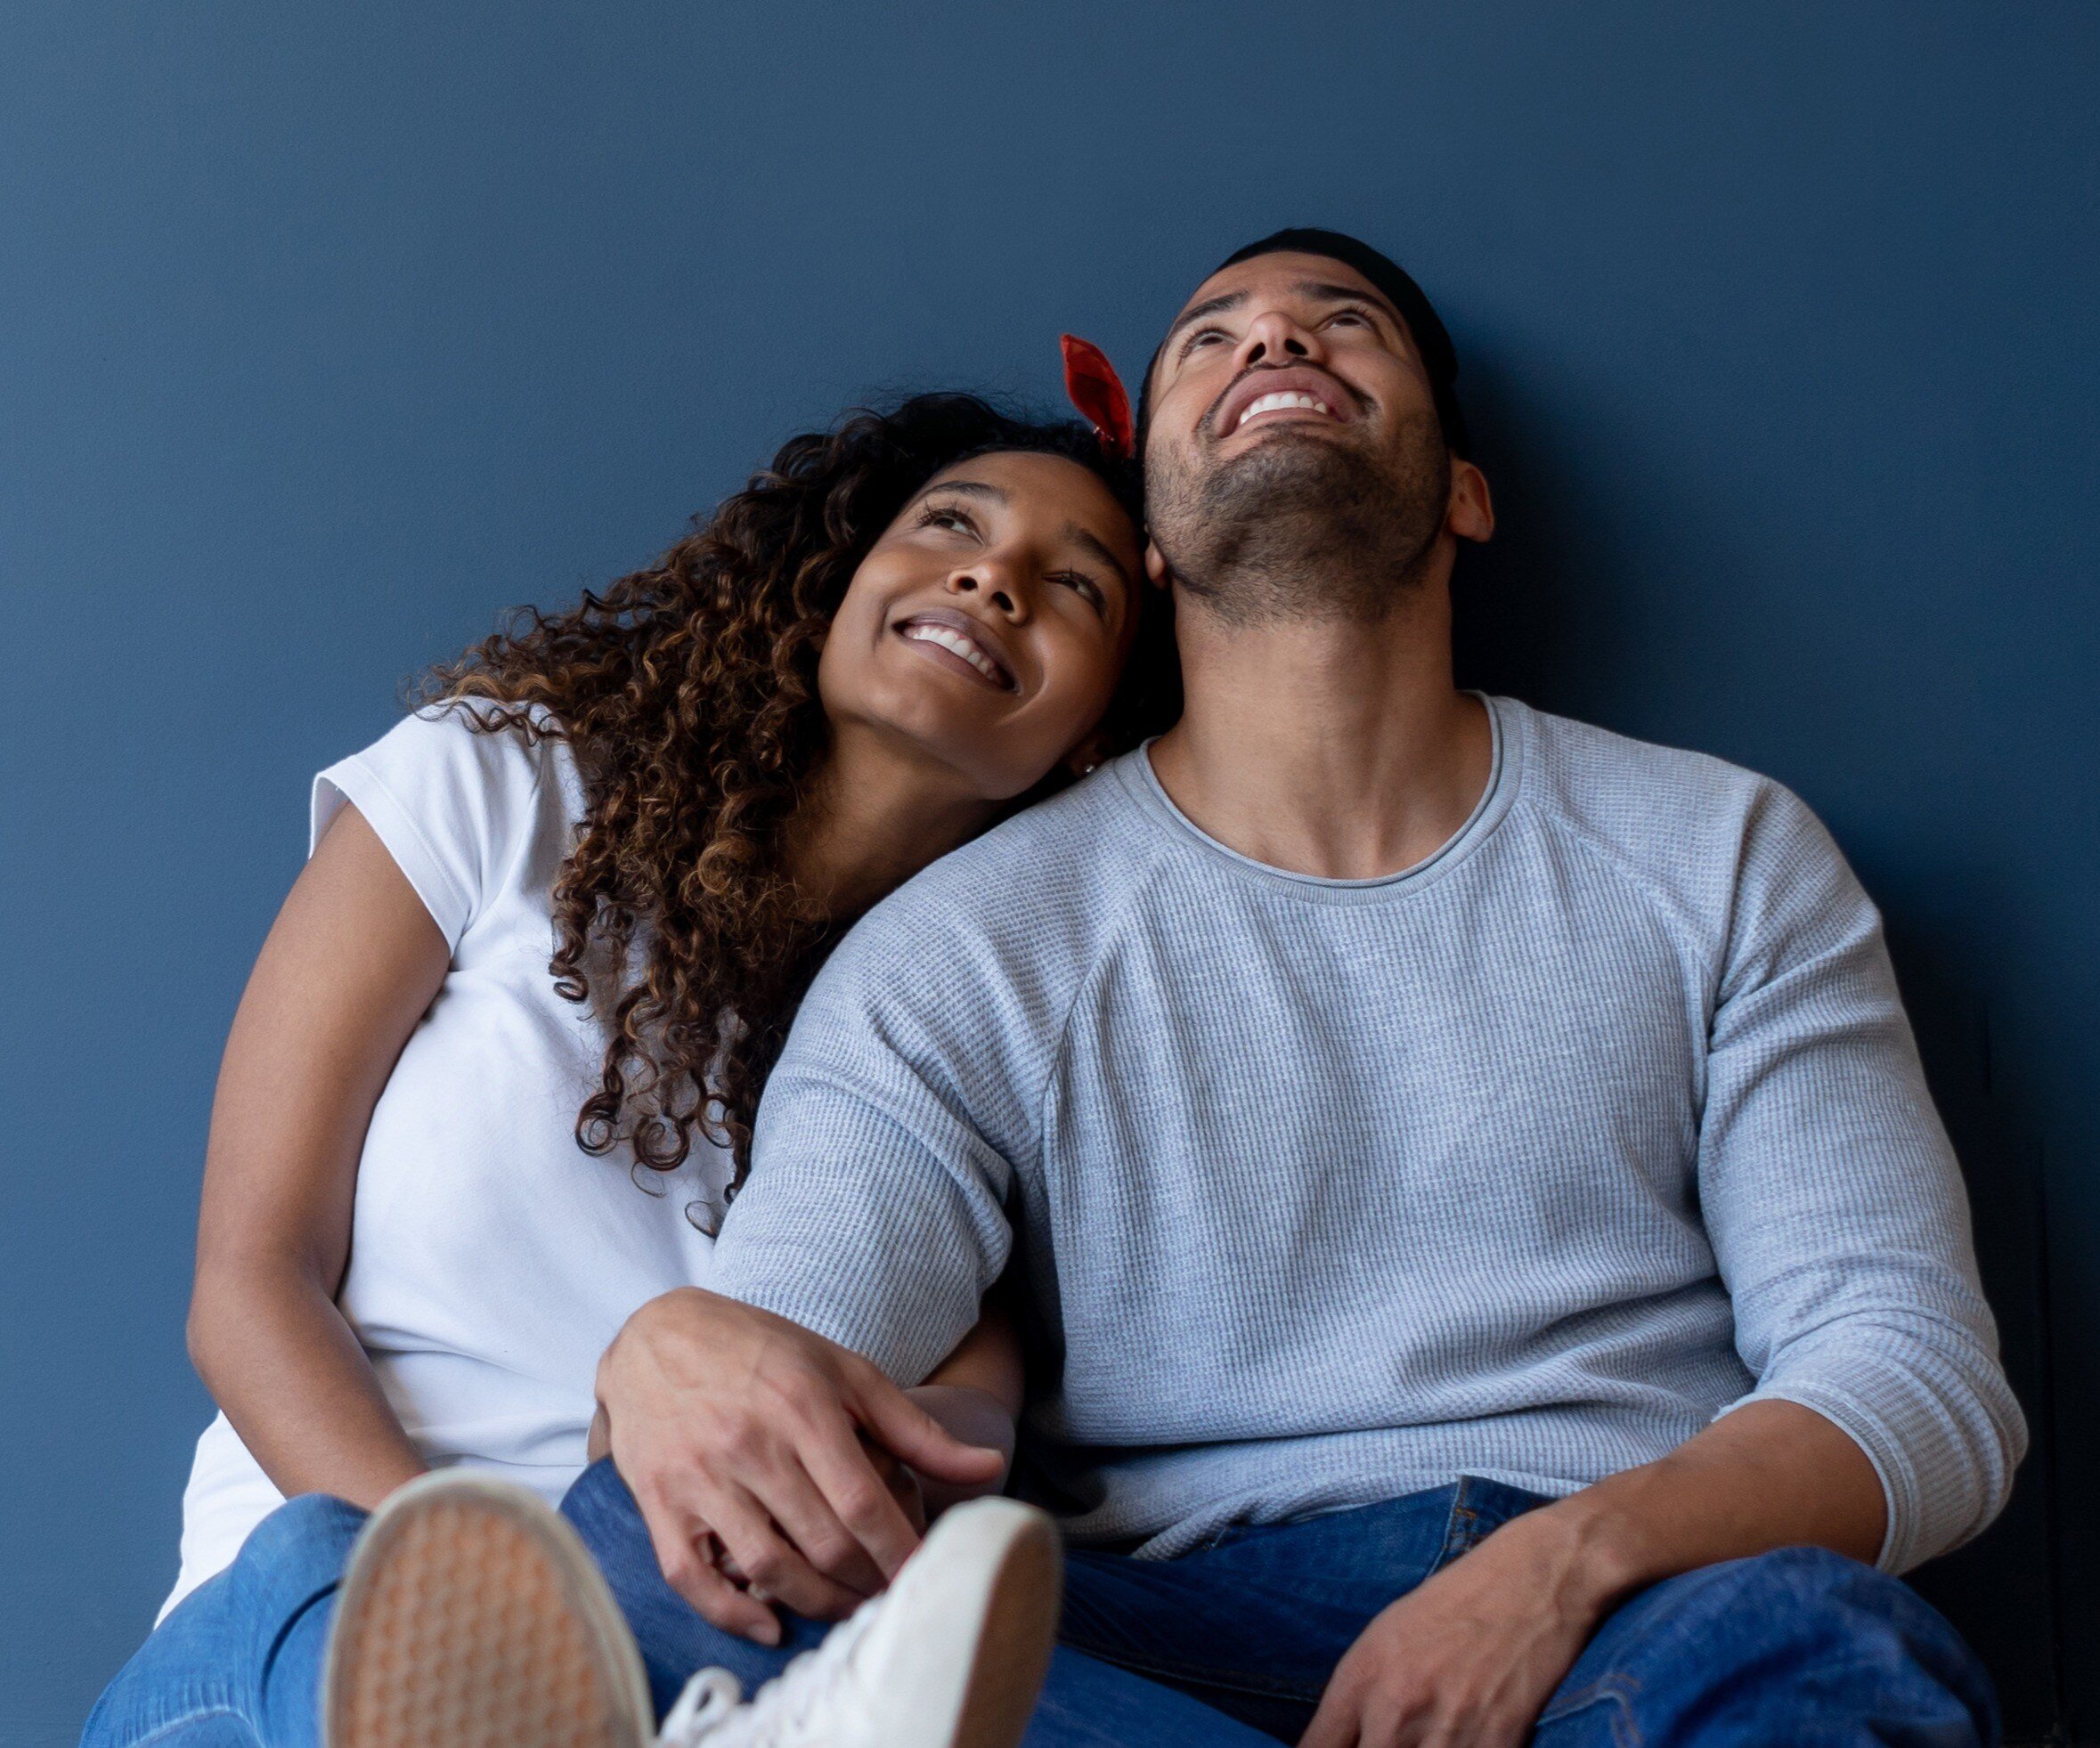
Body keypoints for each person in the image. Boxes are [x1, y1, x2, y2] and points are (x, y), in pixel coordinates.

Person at [580, 231, 2029, 1747]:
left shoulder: (1719, 852)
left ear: (1461, 493)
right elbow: (772, 1389)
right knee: (638, 1542)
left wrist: (1562, 1567)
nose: (1274, 342)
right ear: (1152, 536)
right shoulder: (964, 950)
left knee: (1823, 1648)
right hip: (1162, 1641)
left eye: (1342, 324)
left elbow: (1915, 1381)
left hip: (1635, 1608)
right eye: (1212, 338)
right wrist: (678, 1357)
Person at [83, 387, 1166, 1748]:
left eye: (1075, 587)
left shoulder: (969, 1056)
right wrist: (485, 1607)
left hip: (701, 1648)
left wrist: (876, 1456)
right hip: (302, 1630)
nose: (993, 579)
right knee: (324, 1573)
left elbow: (962, 1432)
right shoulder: (503, 787)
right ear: (834, 579)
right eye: (951, 524)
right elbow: (249, 1281)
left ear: (1097, 735)